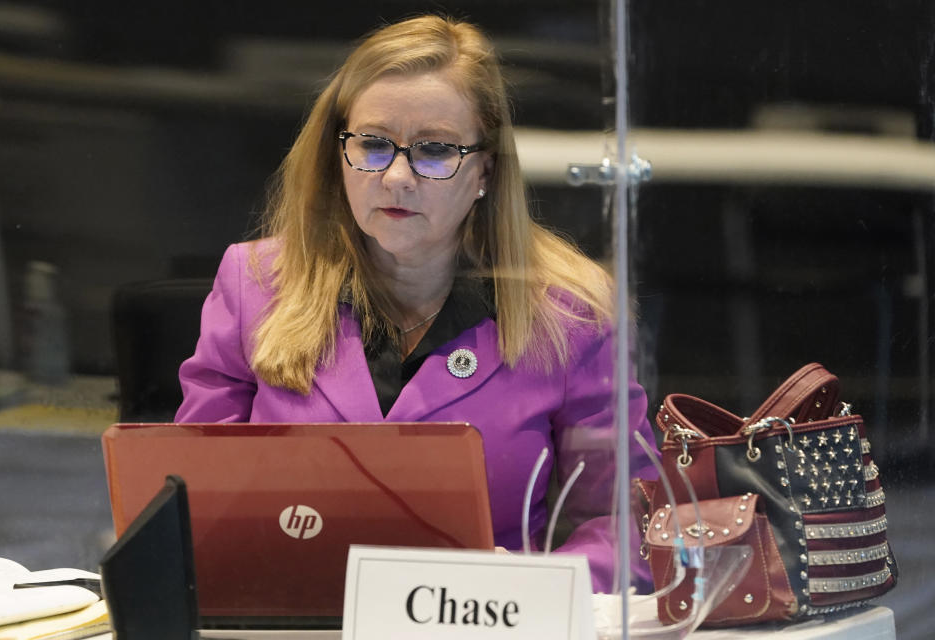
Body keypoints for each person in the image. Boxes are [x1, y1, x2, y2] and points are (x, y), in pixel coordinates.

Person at [175, 14, 657, 593]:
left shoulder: (573, 312)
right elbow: (193, 504)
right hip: (293, 618)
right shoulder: (254, 281)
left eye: (433, 151)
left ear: (485, 170)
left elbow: (628, 526)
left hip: (484, 624)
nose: (397, 177)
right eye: (373, 146)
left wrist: (534, 584)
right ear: (337, 154)